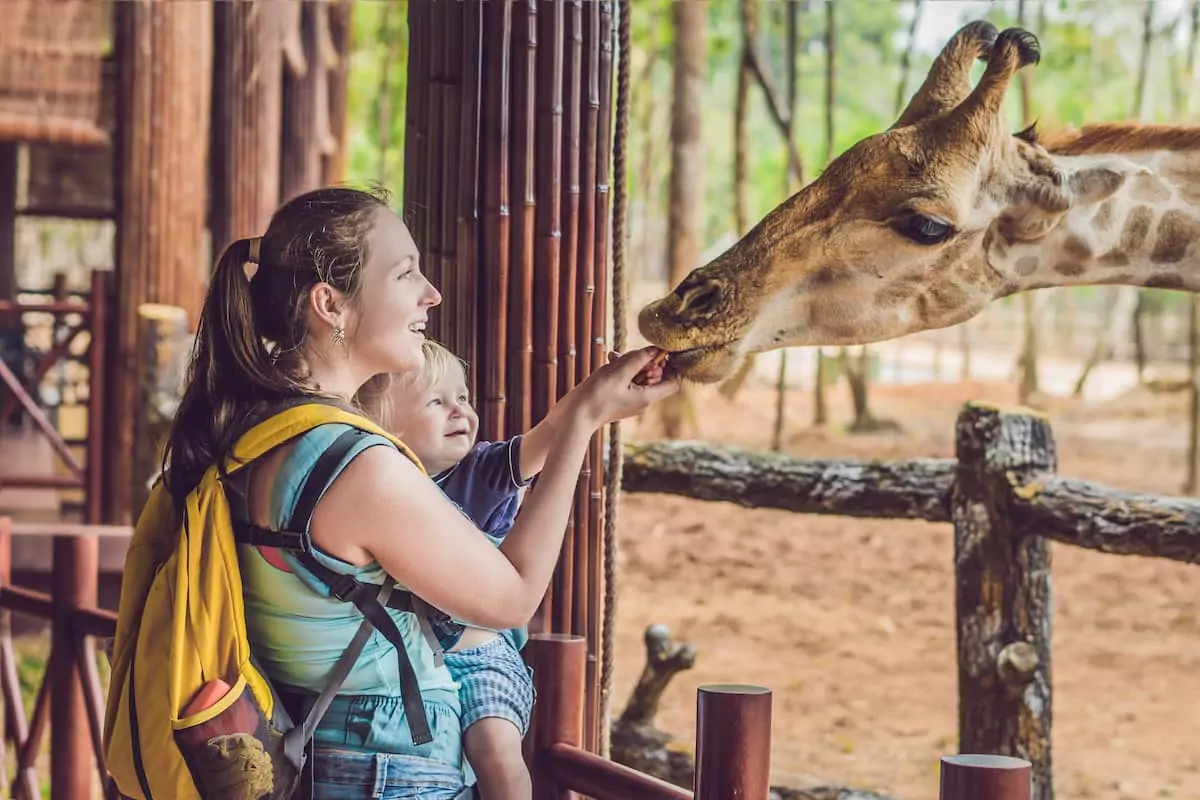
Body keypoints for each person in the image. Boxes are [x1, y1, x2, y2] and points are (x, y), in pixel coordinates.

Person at [159, 186, 678, 799]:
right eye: (406, 274)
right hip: (390, 767)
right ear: (331, 304)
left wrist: (582, 409)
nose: (430, 294)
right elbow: (511, 598)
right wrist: (585, 420)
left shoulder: (253, 431)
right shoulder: (357, 466)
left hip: (317, 751)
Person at [378, 338, 567, 799]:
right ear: (380, 424)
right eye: (436, 402)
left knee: (496, 752)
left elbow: (545, 439)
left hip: (478, 652)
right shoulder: (379, 481)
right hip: (410, 660)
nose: (459, 411)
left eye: (462, 398)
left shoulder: (482, 469)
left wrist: (586, 408)